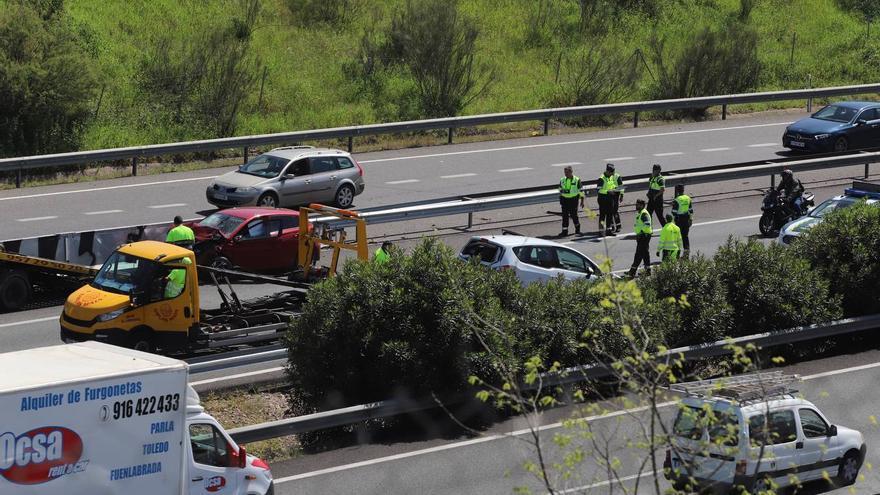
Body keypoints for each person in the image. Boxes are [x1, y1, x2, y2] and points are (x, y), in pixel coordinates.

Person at [628, 199, 652, 278]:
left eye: (638, 204)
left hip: (644, 236)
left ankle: (632, 271)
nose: (636, 206)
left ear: (642, 205)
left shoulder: (644, 213)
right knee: (645, 253)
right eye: (636, 204)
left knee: (639, 253)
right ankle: (648, 271)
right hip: (643, 235)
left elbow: (647, 224)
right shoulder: (640, 213)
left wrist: (641, 232)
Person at [558, 166, 584, 236]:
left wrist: (582, 201)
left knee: (574, 215)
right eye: (565, 172)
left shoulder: (577, 180)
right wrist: (562, 191)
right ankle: (564, 231)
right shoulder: (562, 179)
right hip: (564, 200)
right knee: (565, 216)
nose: (565, 174)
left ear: (571, 172)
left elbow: (581, 191)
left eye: (567, 172)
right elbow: (559, 189)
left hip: (573, 200)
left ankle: (578, 230)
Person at [596, 163, 619, 236]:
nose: (612, 175)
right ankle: (601, 231)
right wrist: (608, 191)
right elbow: (598, 190)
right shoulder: (601, 178)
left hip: (610, 198)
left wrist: (615, 189)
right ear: (608, 171)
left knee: (609, 215)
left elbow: (612, 185)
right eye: (611, 173)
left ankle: (608, 230)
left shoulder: (611, 176)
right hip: (603, 199)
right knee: (602, 215)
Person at [672, 184, 693, 255]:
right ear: (683, 190)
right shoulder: (688, 198)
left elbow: (674, 212)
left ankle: (677, 250)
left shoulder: (677, 200)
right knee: (685, 235)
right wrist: (691, 219)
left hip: (679, 219)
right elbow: (691, 210)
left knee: (678, 235)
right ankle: (687, 249)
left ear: (677, 191)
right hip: (687, 218)